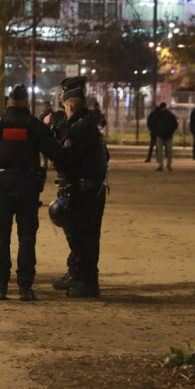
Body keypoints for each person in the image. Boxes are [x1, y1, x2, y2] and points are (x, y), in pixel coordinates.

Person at [0, 85, 66, 301]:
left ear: (8, 102)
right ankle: (25, 287)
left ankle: (1, 286)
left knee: (1, 238)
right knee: (27, 237)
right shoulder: (34, 125)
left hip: (2, 186)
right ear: (26, 103)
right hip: (28, 186)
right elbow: (55, 153)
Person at [52, 76, 109, 298]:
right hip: (89, 188)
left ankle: (86, 283)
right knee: (79, 235)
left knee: (84, 237)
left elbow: (64, 158)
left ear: (70, 104)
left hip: (85, 190)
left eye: (64, 105)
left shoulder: (80, 127)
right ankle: (76, 272)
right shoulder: (87, 123)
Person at [153, 102, 178, 171]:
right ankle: (167, 164)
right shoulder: (170, 115)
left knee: (162, 151)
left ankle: (162, 165)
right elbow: (175, 124)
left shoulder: (158, 115)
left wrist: (155, 131)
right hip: (166, 135)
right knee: (168, 151)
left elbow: (153, 123)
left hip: (162, 135)